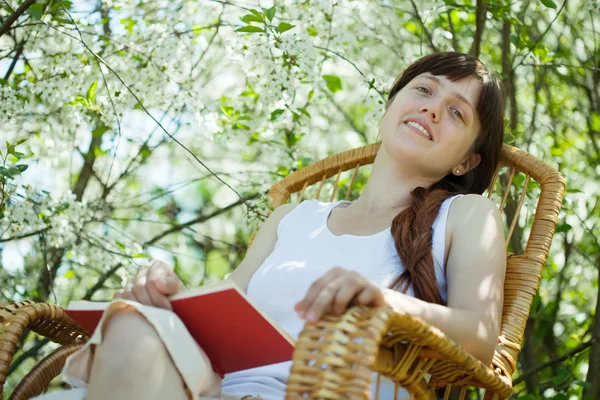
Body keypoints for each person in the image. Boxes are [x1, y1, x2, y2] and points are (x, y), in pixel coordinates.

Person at [33, 51, 507, 400]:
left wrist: (386, 301)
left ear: (467, 161)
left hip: (312, 393)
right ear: (390, 105)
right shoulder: (295, 218)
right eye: (424, 90)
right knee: (135, 324)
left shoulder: (466, 215)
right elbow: (226, 307)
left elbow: (482, 338)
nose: (431, 109)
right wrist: (170, 297)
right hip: (212, 387)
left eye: (456, 112)